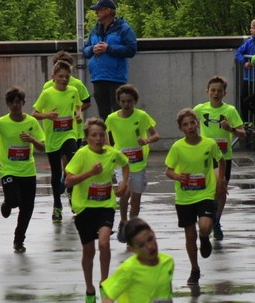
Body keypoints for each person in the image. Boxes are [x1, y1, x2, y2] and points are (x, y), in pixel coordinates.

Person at [64, 118, 129, 303]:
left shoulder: (112, 154)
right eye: (94, 135)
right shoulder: (82, 155)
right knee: (89, 251)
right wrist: (90, 173)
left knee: (104, 244)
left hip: (105, 206)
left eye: (102, 135)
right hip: (84, 208)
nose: (98, 139)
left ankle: (104, 283)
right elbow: (67, 181)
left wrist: (123, 183)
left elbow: (125, 164)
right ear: (87, 138)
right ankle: (89, 289)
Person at [164, 109, 223, 286]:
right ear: (181, 128)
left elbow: (221, 160)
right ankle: (195, 269)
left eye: (192, 123)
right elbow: (168, 170)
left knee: (204, 226)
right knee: (190, 237)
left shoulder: (209, 143)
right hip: (184, 197)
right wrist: (177, 177)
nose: (190, 127)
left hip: (205, 193)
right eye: (185, 125)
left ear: (197, 123)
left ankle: (204, 238)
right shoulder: (177, 147)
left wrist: (221, 181)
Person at [0, 87, 45, 253]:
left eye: (18, 102)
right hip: (8, 169)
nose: (16, 106)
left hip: (28, 170)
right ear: (8, 104)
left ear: (24, 103)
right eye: (12, 102)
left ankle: (19, 240)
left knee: (27, 208)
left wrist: (32, 140)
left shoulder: (31, 122)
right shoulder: (1, 122)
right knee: (13, 200)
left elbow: (43, 147)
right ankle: (7, 204)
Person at [192, 76, 244, 240]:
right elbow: (187, 122)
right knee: (212, 187)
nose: (216, 93)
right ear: (207, 92)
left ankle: (216, 221)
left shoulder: (229, 111)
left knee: (221, 191)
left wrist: (230, 129)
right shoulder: (200, 109)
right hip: (206, 157)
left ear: (224, 93)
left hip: (224, 157)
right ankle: (207, 217)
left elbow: (242, 133)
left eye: (219, 91)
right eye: (213, 90)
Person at [104, 84, 158, 242]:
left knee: (135, 198)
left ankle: (132, 225)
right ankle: (123, 221)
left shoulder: (142, 116)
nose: (126, 104)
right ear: (118, 102)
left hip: (138, 162)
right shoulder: (112, 118)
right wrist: (109, 150)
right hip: (121, 162)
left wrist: (146, 140)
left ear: (135, 101)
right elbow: (106, 135)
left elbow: (156, 135)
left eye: (129, 101)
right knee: (124, 192)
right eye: (123, 101)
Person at [33, 61, 83, 222]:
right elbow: (35, 113)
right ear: (53, 77)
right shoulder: (47, 93)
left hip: (69, 134)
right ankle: (57, 205)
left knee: (73, 166)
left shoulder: (74, 91)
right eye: (61, 76)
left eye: (67, 76)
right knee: (56, 173)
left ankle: (73, 198)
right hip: (53, 137)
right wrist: (47, 116)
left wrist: (78, 113)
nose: (64, 79)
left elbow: (77, 105)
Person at [82, 0, 138, 119]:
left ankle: (118, 138)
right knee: (104, 116)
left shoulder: (124, 28)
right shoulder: (95, 29)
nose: (96, 13)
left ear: (107, 11)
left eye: (98, 10)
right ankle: (106, 138)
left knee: (119, 114)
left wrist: (109, 48)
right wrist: (93, 49)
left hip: (116, 79)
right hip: (98, 78)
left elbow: (131, 49)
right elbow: (85, 51)